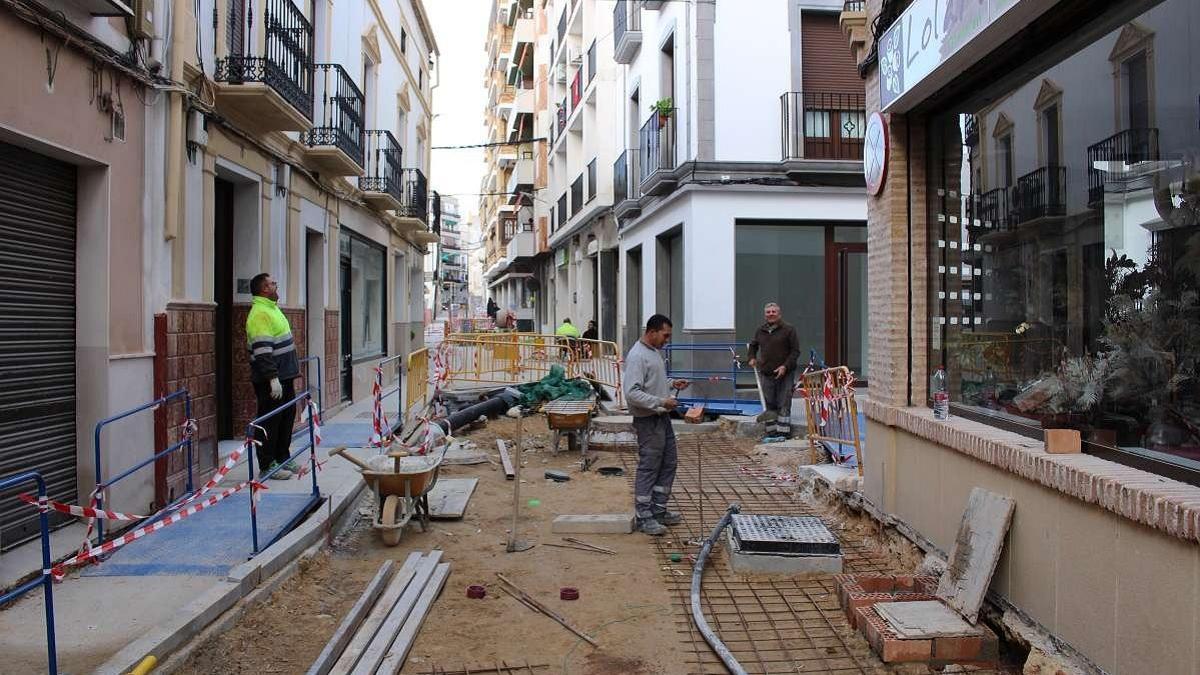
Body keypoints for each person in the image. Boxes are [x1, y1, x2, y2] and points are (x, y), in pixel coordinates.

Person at [622, 314, 688, 536]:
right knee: (649, 466)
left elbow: (652, 382)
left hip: (661, 417)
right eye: (665, 335)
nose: (667, 340)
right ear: (652, 332)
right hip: (648, 420)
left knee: (668, 462)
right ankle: (644, 516)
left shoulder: (653, 353)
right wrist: (661, 401)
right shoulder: (638, 356)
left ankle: (658, 509)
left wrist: (671, 383)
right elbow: (632, 393)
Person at [246, 273, 302, 480]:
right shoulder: (260, 313)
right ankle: (267, 465)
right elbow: (262, 349)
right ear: (264, 289)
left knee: (285, 420)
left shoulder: (272, 308)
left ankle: (283, 457)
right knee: (270, 422)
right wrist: (272, 378)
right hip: (272, 381)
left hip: (284, 377)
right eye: (272, 283)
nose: (275, 286)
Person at [747, 302, 801, 441]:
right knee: (769, 403)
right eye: (768, 312)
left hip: (785, 372)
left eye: (773, 312)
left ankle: (782, 435)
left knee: (784, 402)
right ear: (765, 315)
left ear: (779, 314)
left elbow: (795, 352)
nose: (771, 314)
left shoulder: (789, 329)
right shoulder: (760, 330)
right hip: (766, 372)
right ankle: (771, 434)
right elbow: (753, 346)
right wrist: (752, 357)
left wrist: (785, 366)